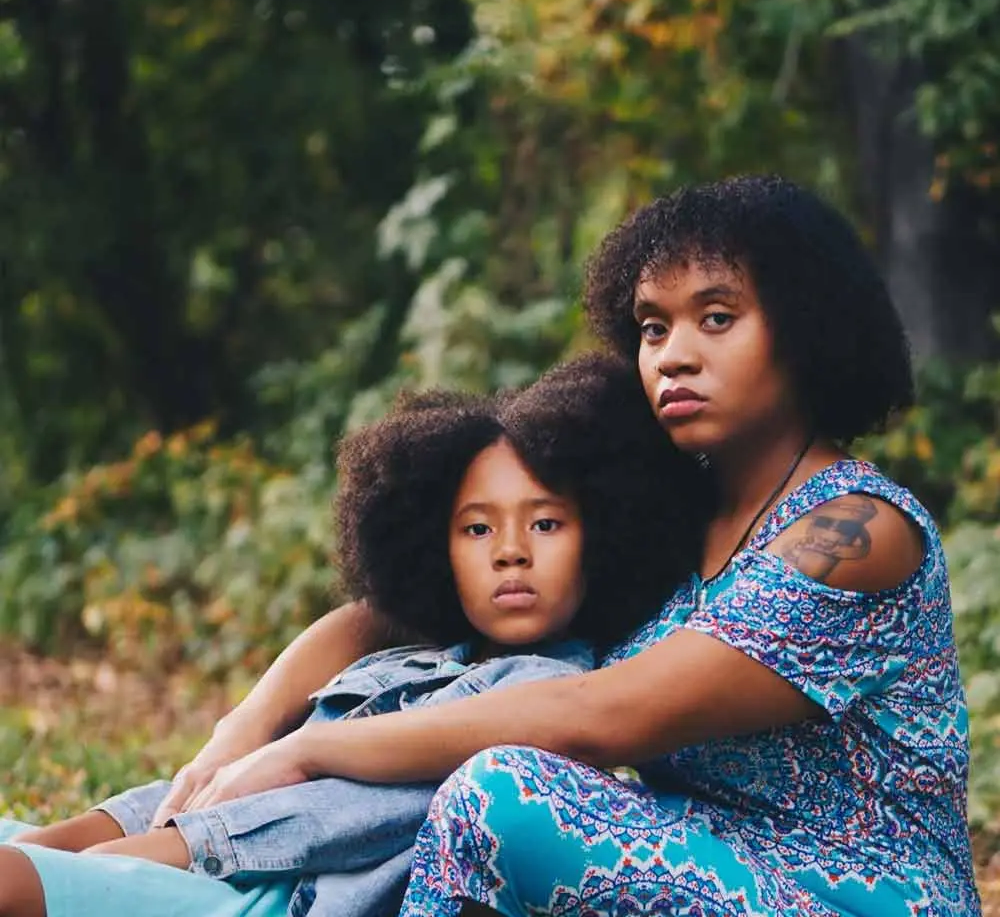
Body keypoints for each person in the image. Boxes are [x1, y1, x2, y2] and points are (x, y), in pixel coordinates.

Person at [66, 173, 976, 917]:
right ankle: (100, 867)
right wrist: (247, 730)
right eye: (653, 327)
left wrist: (314, 753)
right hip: (706, 861)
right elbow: (386, 616)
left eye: (717, 317)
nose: (672, 355)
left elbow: (606, 717)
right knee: (446, 773)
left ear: (809, 331)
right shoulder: (671, 514)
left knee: (501, 792)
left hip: (867, 896)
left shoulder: (854, 530)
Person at [0, 353, 706, 917]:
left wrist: (105, 860)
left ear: (602, 540)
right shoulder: (406, 661)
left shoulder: (542, 700)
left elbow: (329, 819)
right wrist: (64, 840)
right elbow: (217, 790)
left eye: (546, 523)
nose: (510, 551)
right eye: (477, 527)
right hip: (192, 855)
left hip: (269, 895)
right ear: (436, 548)